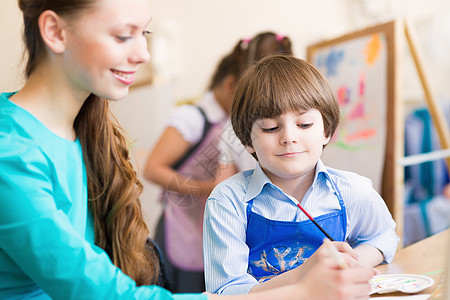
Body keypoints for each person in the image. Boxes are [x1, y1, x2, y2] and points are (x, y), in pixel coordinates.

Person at [0, 0, 376, 299]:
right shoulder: (10, 150)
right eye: (122, 36)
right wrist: (298, 292)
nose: (144, 54)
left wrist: (299, 277)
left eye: (143, 33)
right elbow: (103, 293)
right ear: (54, 31)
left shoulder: (85, 132)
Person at [203, 54, 400, 294]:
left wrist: (351, 261)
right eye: (270, 127)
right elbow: (225, 291)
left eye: (304, 124)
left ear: (326, 131)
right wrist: (306, 276)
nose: (289, 137)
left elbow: (384, 236)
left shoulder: (353, 189)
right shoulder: (227, 201)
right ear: (247, 140)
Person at [143, 32, 292, 293]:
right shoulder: (193, 118)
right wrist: (204, 189)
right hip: (183, 230)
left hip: (222, 230)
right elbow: (152, 168)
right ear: (231, 85)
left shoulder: (241, 126)